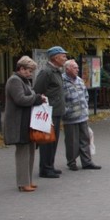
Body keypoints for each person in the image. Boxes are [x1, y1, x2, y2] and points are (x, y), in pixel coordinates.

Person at [4, 56, 48, 192]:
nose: (30, 73)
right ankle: (23, 183)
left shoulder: (24, 81)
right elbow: (20, 99)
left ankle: (28, 180)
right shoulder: (14, 81)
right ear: (21, 69)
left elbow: (29, 96)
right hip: (18, 122)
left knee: (30, 151)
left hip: (26, 121)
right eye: (29, 71)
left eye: (32, 71)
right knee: (22, 152)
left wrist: (37, 97)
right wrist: (36, 98)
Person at [34, 45, 68, 178]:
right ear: (55, 57)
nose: (65, 57)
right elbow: (37, 91)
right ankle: (45, 168)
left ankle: (50, 165)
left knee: (53, 141)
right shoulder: (46, 72)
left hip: (57, 111)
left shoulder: (57, 71)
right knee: (47, 141)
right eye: (63, 55)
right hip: (48, 112)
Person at [62, 59, 102, 171]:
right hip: (70, 117)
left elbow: (85, 95)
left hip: (82, 115)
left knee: (85, 139)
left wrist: (85, 107)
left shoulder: (79, 80)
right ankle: (71, 162)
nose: (77, 69)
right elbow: (60, 99)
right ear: (67, 69)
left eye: (77, 68)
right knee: (71, 142)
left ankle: (87, 162)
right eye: (75, 68)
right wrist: (66, 110)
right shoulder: (62, 81)